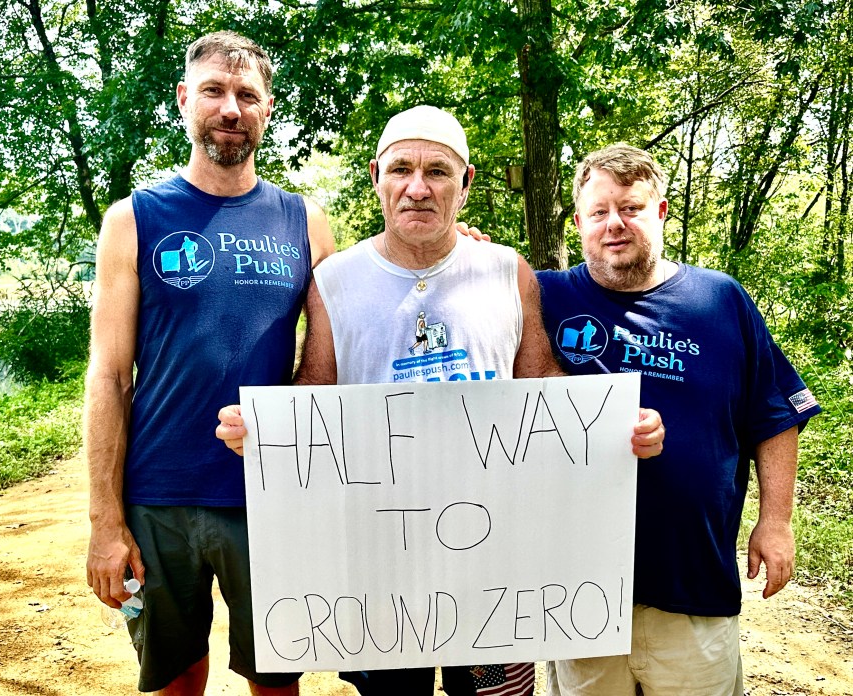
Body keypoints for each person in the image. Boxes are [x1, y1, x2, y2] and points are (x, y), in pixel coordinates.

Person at [216, 106, 665, 695]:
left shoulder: (507, 270)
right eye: (401, 168)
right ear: (377, 175)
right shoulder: (334, 281)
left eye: (438, 172)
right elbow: (315, 389)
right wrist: (266, 428)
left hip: (496, 563)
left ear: (466, 182)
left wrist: (611, 423)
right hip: (380, 567)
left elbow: (539, 377)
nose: (418, 187)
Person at [83, 31, 334, 695]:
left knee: (276, 680)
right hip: (155, 498)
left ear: (267, 108)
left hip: (270, 494)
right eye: (215, 92)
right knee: (175, 678)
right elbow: (107, 377)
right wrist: (106, 524)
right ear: (185, 99)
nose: (231, 107)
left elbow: (334, 352)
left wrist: (455, 248)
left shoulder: (304, 221)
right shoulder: (132, 219)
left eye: (247, 95)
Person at [536, 143, 822, 695]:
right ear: (579, 223)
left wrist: (777, 520)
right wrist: (466, 248)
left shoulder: (720, 299)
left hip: (694, 586)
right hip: (578, 593)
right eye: (599, 213)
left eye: (631, 208)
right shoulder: (543, 296)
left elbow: (775, 412)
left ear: (661, 211)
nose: (614, 224)